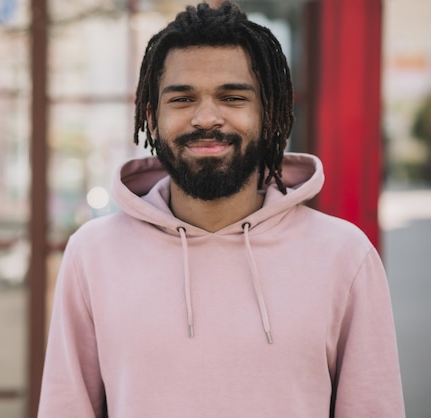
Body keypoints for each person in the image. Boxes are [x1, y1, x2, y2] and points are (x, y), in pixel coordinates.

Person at [37, 2, 406, 417]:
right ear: (151, 119)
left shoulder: (345, 255)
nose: (207, 117)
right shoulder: (93, 253)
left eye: (232, 97)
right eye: (182, 98)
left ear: (268, 117)